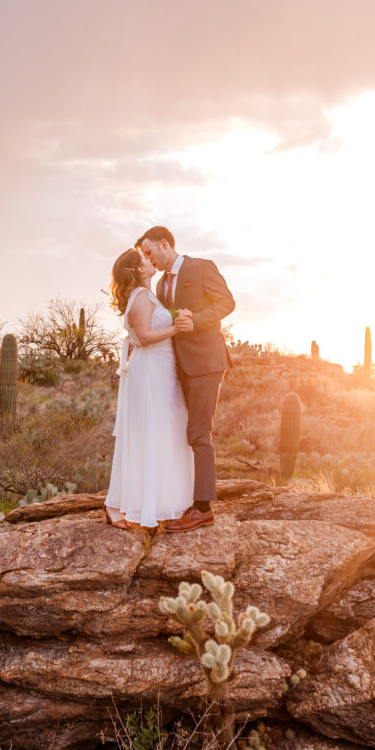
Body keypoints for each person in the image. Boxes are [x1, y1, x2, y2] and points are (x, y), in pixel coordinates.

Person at [136, 225, 235, 531]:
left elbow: (226, 303)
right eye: (144, 256)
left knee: (198, 434)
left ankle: (203, 509)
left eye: (150, 252)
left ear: (165, 244)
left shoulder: (201, 267)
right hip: (176, 368)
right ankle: (180, 498)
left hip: (206, 363)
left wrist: (197, 320)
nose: (149, 259)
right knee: (179, 433)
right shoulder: (162, 282)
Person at [104, 248, 194, 530]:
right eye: (144, 258)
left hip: (162, 369)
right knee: (148, 433)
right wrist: (176, 329)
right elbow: (143, 337)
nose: (149, 259)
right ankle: (114, 504)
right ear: (140, 270)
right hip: (152, 370)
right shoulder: (140, 297)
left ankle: (160, 500)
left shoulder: (148, 294)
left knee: (164, 432)